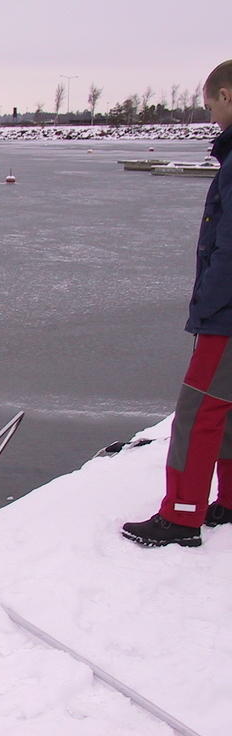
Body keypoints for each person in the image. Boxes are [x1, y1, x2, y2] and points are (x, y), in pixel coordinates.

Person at [123, 60, 232, 547]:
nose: (211, 115)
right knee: (226, 409)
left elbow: (228, 248)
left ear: (227, 95)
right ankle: (228, 500)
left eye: (210, 105)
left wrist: (207, 309)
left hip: (227, 316)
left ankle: (182, 516)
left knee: (199, 411)